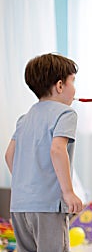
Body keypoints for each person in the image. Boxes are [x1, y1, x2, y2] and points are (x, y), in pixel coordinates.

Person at [4, 53, 83, 252]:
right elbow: (57, 149)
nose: (75, 88)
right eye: (73, 81)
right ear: (59, 86)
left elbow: (9, 155)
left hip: (20, 205)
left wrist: (30, 186)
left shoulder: (24, 118)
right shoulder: (66, 113)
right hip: (48, 206)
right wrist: (68, 192)